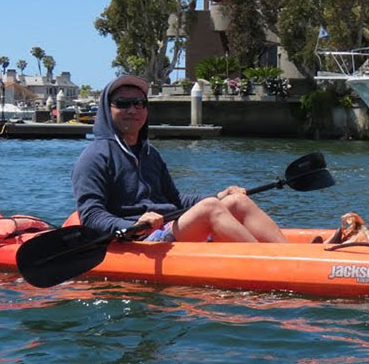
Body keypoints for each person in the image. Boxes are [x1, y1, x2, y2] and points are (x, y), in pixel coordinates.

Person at [71, 74, 286, 243]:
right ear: (108, 110)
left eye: (139, 103)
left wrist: (219, 195)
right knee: (210, 208)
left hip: (169, 225)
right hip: (141, 238)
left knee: (237, 200)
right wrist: (132, 225)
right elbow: (91, 216)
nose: (133, 109)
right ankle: (274, 266)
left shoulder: (150, 154)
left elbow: (175, 200)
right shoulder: (94, 157)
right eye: (123, 103)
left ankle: (288, 254)